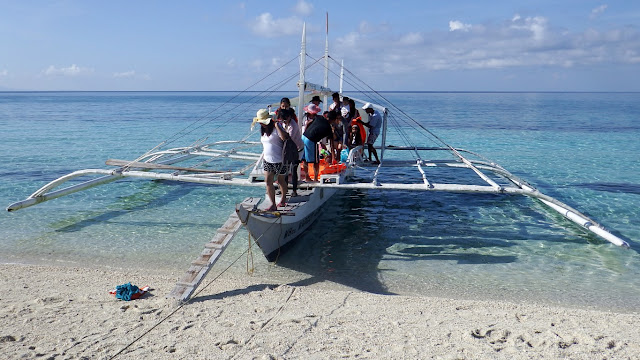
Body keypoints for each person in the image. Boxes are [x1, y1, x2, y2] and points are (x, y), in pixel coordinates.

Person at [253, 109, 289, 210]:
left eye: (263, 122)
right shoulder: (263, 131)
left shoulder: (276, 128)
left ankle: (283, 199)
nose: (262, 124)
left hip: (280, 160)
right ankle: (273, 204)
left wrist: (277, 126)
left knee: (280, 181)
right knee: (268, 182)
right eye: (260, 123)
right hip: (267, 160)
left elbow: (285, 138)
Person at [301, 104, 334, 181]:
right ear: (333, 120)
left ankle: (307, 177)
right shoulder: (328, 128)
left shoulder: (319, 118)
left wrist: (306, 131)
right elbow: (332, 143)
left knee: (305, 159)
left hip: (304, 136)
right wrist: (333, 157)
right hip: (311, 140)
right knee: (316, 161)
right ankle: (315, 178)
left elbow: (309, 122)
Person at [277, 108, 304, 197]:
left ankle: (294, 191)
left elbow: (288, 138)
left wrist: (281, 135)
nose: (284, 121)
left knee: (293, 169)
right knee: (284, 169)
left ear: (289, 117)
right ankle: (283, 189)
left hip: (297, 149)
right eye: (282, 120)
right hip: (288, 149)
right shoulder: (283, 124)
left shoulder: (293, 125)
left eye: (285, 119)